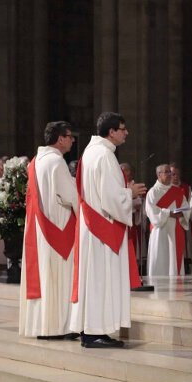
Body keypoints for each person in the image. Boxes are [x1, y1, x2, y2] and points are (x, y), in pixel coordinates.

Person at [69, 112, 147, 348]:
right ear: (111, 132)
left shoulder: (90, 153)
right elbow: (110, 197)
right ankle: (95, 333)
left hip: (92, 226)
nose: (126, 132)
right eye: (123, 128)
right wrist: (129, 194)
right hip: (103, 228)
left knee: (94, 280)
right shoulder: (104, 156)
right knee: (101, 281)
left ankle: (91, 330)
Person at [20, 121, 80, 340]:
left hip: (39, 226)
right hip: (58, 227)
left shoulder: (36, 161)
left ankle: (42, 325)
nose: (72, 140)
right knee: (58, 277)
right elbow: (70, 195)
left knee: (45, 278)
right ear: (60, 138)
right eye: (70, 136)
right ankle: (58, 326)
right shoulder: (56, 162)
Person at [145, 163, 190, 277]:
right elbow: (152, 212)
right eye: (167, 172)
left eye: (170, 172)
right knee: (161, 257)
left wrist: (182, 213)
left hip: (176, 229)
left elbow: (186, 207)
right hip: (160, 231)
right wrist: (168, 213)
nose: (170, 174)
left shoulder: (177, 191)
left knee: (174, 258)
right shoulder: (153, 192)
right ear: (159, 174)